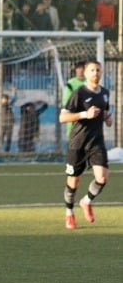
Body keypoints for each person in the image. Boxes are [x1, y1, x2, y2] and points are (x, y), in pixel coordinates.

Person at [60, 59, 111, 230]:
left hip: (96, 142)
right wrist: (84, 114)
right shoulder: (79, 93)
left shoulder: (105, 93)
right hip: (78, 143)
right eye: (92, 70)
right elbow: (63, 118)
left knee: (102, 177)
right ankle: (69, 213)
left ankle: (86, 201)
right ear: (86, 73)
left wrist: (107, 117)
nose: (95, 73)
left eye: (98, 70)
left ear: (101, 72)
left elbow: (103, 110)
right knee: (73, 182)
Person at [62, 61, 85, 138]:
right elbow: (66, 101)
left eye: (83, 68)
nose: (81, 70)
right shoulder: (71, 83)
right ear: (76, 70)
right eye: (79, 68)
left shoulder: (90, 83)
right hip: (74, 115)